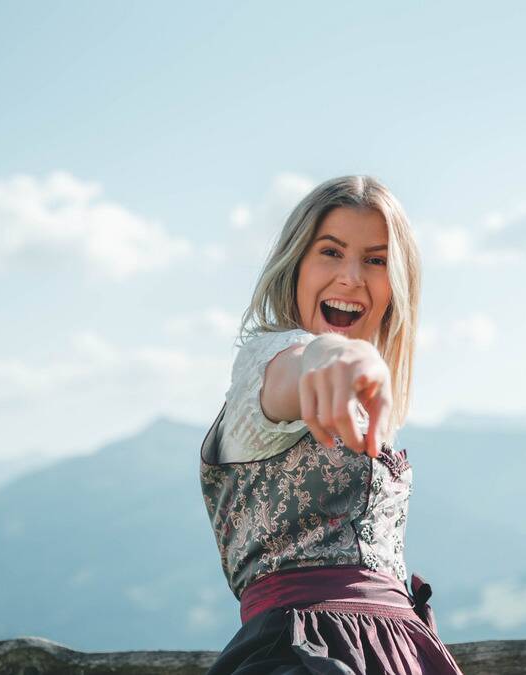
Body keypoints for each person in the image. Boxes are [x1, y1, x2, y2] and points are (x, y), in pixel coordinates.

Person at [199, 175, 465, 674]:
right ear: (295, 266)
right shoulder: (266, 369)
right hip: (301, 657)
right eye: (330, 252)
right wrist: (330, 352)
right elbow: (292, 368)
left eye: (375, 260)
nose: (350, 277)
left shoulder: (366, 410)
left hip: (393, 655)